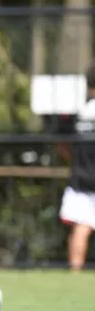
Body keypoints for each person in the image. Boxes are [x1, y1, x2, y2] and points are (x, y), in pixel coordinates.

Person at [59, 66, 95, 272]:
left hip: (81, 178)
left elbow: (61, 142)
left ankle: (75, 274)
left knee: (82, 228)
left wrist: (74, 159)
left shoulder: (80, 112)